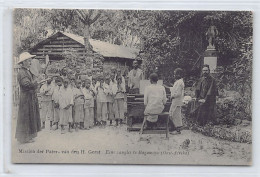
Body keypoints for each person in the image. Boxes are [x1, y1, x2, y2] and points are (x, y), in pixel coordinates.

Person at [15, 52, 41, 144]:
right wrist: (36, 83)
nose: (30, 62)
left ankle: (28, 136)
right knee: (25, 117)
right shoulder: (22, 72)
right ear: (24, 62)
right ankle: (24, 138)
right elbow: (26, 85)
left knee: (30, 116)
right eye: (28, 60)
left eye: (30, 60)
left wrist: (35, 83)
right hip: (26, 98)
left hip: (29, 97)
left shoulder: (27, 71)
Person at [169, 68, 185, 134]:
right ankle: (176, 129)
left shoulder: (180, 82)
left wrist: (172, 96)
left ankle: (177, 130)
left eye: (175, 74)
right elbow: (174, 89)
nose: (174, 75)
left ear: (179, 74)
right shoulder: (178, 82)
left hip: (177, 100)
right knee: (174, 115)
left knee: (174, 115)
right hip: (176, 101)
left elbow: (178, 93)